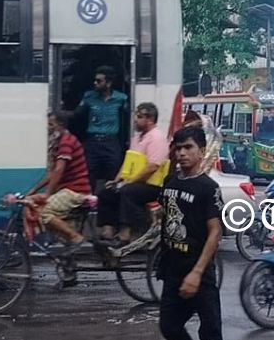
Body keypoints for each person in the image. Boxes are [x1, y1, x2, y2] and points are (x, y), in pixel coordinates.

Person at [157, 126, 223, 340]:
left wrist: (197, 272)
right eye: (178, 148)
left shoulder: (208, 188)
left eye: (188, 148)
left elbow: (214, 232)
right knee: (169, 326)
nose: (182, 153)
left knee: (210, 329)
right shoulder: (171, 182)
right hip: (173, 269)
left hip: (199, 271)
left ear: (201, 150)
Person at [22, 111, 91, 253]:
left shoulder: (66, 142)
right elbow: (52, 173)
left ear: (61, 125)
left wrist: (47, 193)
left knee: (44, 212)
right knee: (29, 201)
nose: (48, 127)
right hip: (68, 189)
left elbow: (59, 170)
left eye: (51, 124)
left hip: (76, 191)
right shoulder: (59, 142)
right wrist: (33, 191)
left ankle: (75, 237)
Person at [105, 102, 170, 244]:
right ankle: (108, 231)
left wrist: (130, 182)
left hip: (154, 186)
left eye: (139, 117)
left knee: (127, 191)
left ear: (150, 119)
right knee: (108, 191)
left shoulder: (156, 138)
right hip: (137, 182)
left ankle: (126, 233)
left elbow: (152, 167)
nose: (135, 120)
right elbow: (128, 163)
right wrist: (116, 181)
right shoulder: (137, 138)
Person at [73, 68, 129, 200]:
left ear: (108, 83)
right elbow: (77, 114)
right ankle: (89, 205)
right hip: (93, 142)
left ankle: (110, 206)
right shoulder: (89, 96)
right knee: (89, 174)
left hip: (111, 142)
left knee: (113, 173)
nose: (95, 83)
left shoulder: (121, 98)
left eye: (99, 81)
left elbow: (129, 116)